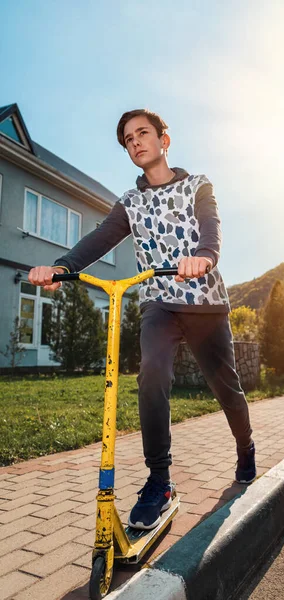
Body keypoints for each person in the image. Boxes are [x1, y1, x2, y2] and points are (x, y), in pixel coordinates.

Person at [28, 109, 256, 530]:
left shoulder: (197, 185)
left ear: (164, 140)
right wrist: (62, 266)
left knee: (227, 388)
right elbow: (99, 238)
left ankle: (246, 447)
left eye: (142, 133)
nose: (134, 142)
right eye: (128, 139)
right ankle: (160, 480)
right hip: (160, 303)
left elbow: (212, 229)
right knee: (150, 373)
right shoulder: (130, 203)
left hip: (204, 302)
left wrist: (205, 257)